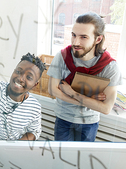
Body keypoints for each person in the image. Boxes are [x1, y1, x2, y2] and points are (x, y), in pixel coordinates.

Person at [47, 12, 122, 142]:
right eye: (74, 35)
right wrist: (90, 100)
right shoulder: (62, 56)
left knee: (83, 161)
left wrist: (72, 93)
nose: (76, 42)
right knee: (62, 159)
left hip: (89, 122)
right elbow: (52, 90)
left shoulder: (110, 67)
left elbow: (106, 108)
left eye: (83, 37)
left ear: (98, 39)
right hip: (63, 118)